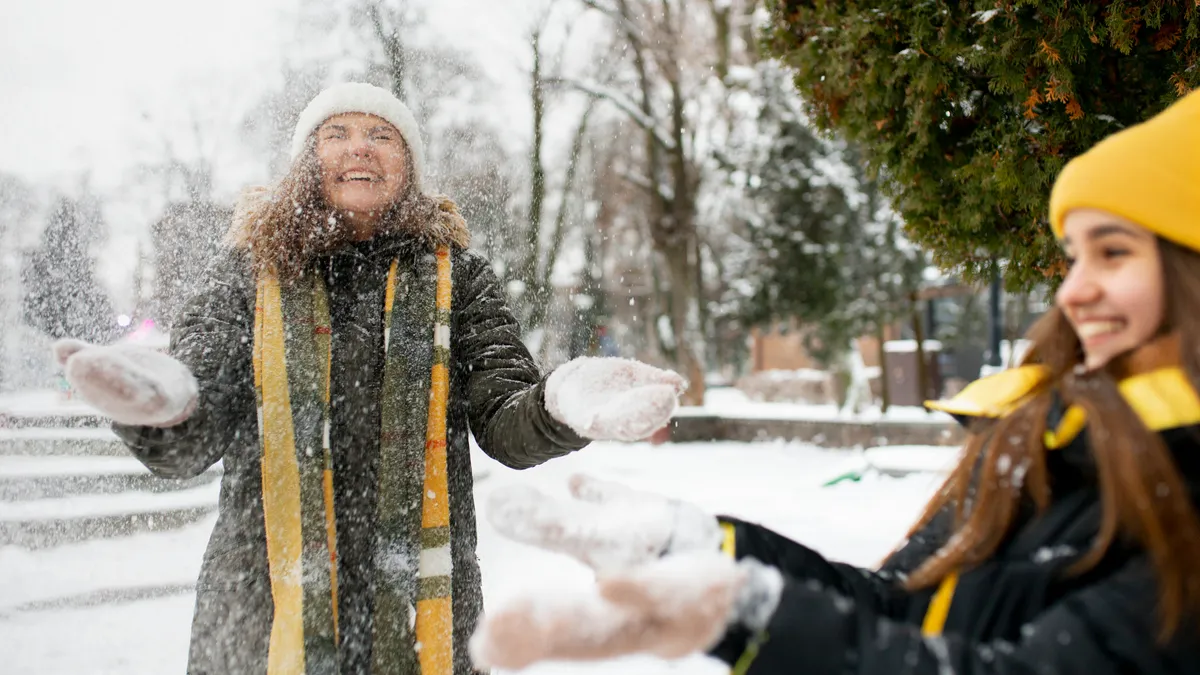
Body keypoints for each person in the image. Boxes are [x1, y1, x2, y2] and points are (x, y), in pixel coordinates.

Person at [469, 88, 1200, 675]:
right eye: (1073, 256)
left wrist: (751, 619)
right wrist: (697, 548)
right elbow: (903, 612)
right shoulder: (1053, 441)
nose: (1073, 292)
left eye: (1113, 253)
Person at [52, 82, 685, 675]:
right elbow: (195, 427)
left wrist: (557, 404)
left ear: (407, 166)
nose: (359, 146)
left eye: (381, 135)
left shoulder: (458, 280)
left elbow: (504, 422)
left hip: (422, 606)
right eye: (337, 133)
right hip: (264, 608)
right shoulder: (245, 277)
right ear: (307, 161)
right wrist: (160, 407)